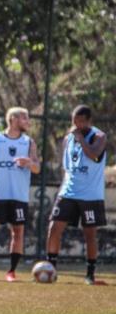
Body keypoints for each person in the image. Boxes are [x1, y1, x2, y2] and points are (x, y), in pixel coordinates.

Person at [46, 105, 108, 285]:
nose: (76, 124)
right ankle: (51, 268)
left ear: (89, 121)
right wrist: (63, 186)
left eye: (80, 121)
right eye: (74, 120)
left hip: (90, 195)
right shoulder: (68, 139)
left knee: (89, 233)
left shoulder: (99, 136)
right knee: (54, 227)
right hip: (69, 192)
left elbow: (94, 155)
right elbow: (66, 167)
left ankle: (90, 274)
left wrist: (81, 139)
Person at [0, 107, 41, 281]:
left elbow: (37, 168)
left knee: (18, 232)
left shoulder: (29, 142)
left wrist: (29, 162)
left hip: (19, 195)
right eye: (24, 118)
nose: (28, 121)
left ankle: (11, 271)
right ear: (13, 119)